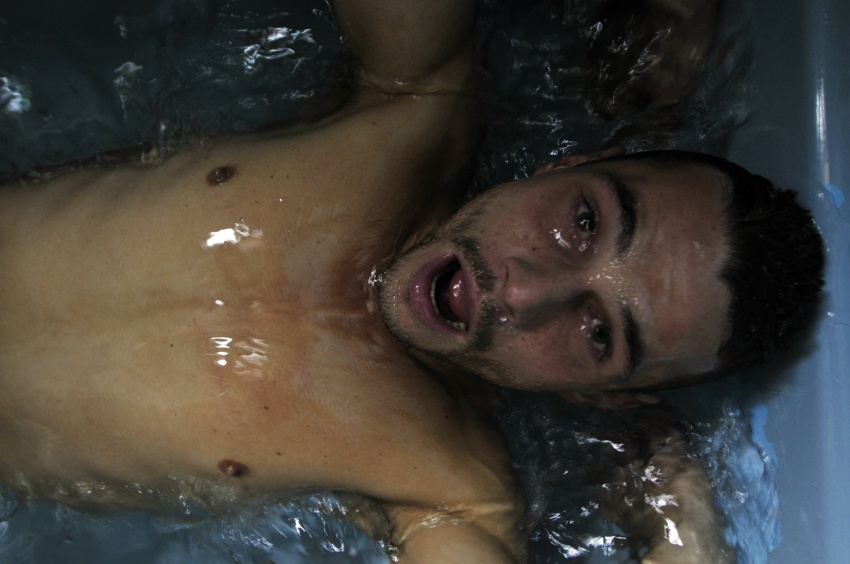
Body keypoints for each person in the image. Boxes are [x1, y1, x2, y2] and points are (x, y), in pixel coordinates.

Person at [0, 0, 823, 562]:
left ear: (602, 398)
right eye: (584, 221)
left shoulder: (450, 486)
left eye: (599, 333)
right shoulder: (413, 100)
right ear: (572, 161)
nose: (525, 289)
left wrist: (684, 520)